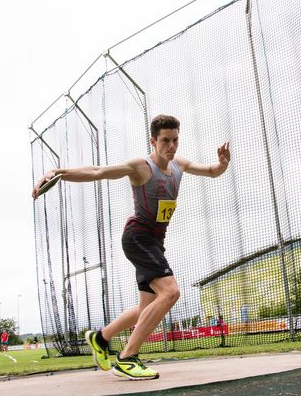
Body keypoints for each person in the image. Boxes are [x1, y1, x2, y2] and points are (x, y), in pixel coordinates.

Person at [32, 114, 230, 380]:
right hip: (138, 237)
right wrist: (60, 173)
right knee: (170, 293)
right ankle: (127, 358)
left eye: (175, 140)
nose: (171, 146)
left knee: (145, 308)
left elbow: (211, 172)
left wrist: (222, 164)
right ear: (153, 141)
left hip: (155, 243)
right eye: (165, 141)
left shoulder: (180, 164)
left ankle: (101, 338)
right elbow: (98, 172)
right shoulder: (142, 167)